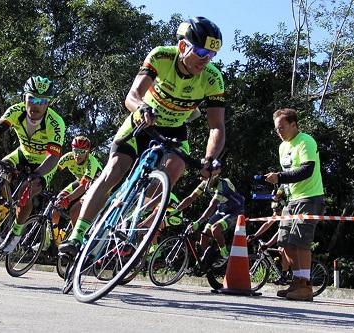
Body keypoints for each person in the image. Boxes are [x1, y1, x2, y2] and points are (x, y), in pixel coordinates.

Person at [59, 17, 226, 256]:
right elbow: (132, 95)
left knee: (175, 169)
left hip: (175, 129)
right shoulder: (161, 56)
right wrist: (141, 108)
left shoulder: (212, 78)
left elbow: (217, 126)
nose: (206, 60)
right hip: (144, 121)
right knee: (113, 171)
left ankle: (131, 218)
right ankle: (76, 237)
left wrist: (210, 158)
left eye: (211, 54)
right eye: (200, 52)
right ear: (182, 47)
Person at [0, 76, 66, 253]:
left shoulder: (55, 123)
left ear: (48, 103)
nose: (35, 105)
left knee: (27, 190)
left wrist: (36, 175)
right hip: (22, 154)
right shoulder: (16, 111)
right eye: (31, 98)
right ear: (24, 98)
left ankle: (15, 234)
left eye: (41, 101)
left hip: (45, 162)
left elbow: (54, 157)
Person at [265, 108, 325, 301]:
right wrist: (280, 190)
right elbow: (288, 178)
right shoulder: (282, 147)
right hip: (292, 200)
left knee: (300, 241)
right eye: (276, 129)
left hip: (309, 197)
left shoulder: (306, 141)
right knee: (285, 242)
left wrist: (279, 177)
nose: (278, 132)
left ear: (293, 124)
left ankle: (305, 285)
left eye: (281, 127)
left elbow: (307, 170)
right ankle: (297, 281)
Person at [49, 136, 102, 244]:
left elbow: (83, 186)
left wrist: (68, 199)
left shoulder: (91, 162)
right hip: (80, 182)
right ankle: (54, 236)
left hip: (96, 187)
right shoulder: (68, 157)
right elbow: (51, 171)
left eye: (82, 152)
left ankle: (76, 240)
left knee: (75, 210)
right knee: (57, 203)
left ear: (88, 152)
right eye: (75, 151)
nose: (78, 155)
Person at [174, 177, 244, 260]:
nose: (200, 176)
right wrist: (176, 210)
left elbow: (212, 206)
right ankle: (203, 263)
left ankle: (225, 255)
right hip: (222, 210)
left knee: (215, 229)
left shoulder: (222, 184)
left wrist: (198, 222)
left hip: (236, 211)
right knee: (204, 235)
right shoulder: (205, 182)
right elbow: (191, 197)